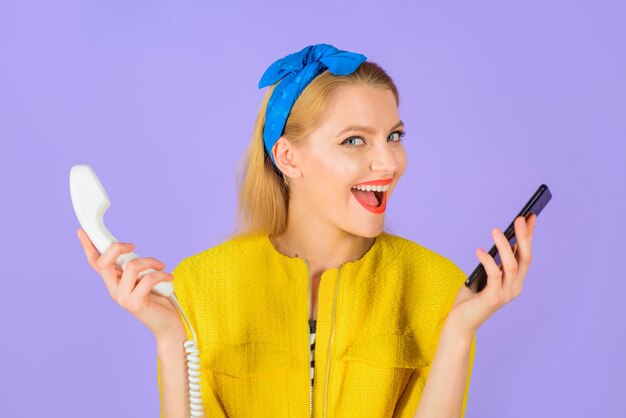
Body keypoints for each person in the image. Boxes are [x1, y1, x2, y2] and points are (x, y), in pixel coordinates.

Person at [77, 43, 537, 418]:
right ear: (288, 158)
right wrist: (171, 340)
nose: (389, 162)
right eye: (354, 140)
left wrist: (459, 329)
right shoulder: (199, 286)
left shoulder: (438, 287)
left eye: (394, 136)